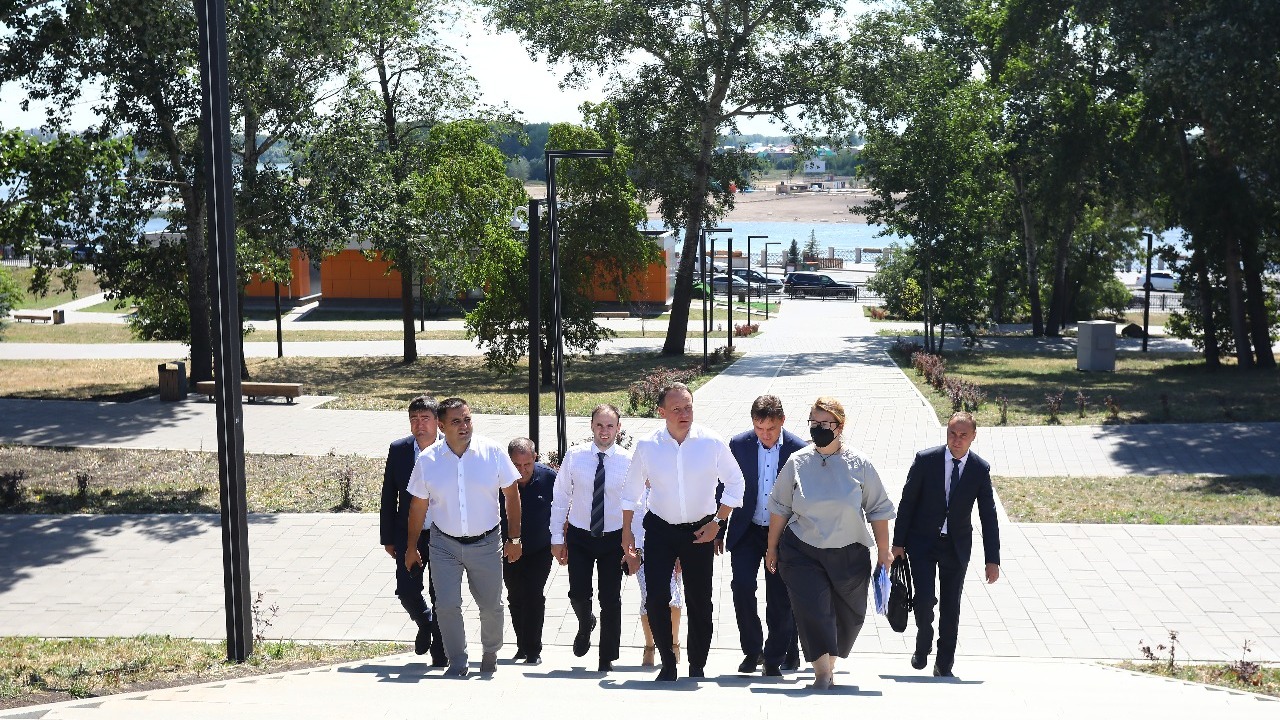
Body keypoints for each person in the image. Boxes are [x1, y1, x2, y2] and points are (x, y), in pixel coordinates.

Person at [766, 396, 895, 690]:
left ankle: (830, 664)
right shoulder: (797, 461)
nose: (818, 428)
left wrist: (884, 552)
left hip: (849, 553)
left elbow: (878, 509)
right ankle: (821, 673)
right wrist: (772, 547)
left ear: (840, 426)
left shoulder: (860, 464)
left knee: (849, 617)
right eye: (814, 422)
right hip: (802, 551)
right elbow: (780, 507)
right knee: (813, 609)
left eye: (825, 423)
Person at [621, 382, 745, 682]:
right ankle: (668, 662)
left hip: (700, 531)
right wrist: (627, 533)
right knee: (656, 597)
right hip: (660, 529)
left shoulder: (711, 442)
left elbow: (736, 482)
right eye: (676, 409)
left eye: (688, 407)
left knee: (700, 600)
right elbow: (630, 493)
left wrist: (718, 522)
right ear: (661, 412)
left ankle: (697, 665)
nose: (684, 414)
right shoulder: (648, 446)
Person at [405, 397, 523, 677]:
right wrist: (411, 546)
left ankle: (491, 652)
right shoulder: (428, 460)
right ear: (442, 426)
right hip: (443, 544)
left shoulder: (492, 452)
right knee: (446, 605)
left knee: (491, 606)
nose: (464, 426)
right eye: (456, 421)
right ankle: (457, 660)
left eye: (467, 419)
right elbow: (418, 506)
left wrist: (515, 539)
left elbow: (511, 495)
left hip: (487, 542)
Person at [892, 411, 1000, 678]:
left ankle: (944, 664)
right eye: (952, 433)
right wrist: (898, 543)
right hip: (922, 543)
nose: (957, 440)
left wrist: (992, 559)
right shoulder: (926, 460)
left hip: (956, 546)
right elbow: (907, 502)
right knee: (923, 600)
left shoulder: (979, 469)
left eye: (963, 435)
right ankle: (923, 641)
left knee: (951, 607)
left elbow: (988, 515)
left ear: (973, 437)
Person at [727, 394, 806, 676]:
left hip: (784, 533)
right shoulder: (739, 445)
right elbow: (726, 485)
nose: (765, 435)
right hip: (747, 529)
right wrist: (718, 527)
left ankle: (774, 657)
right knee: (742, 587)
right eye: (759, 428)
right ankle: (752, 651)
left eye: (771, 428)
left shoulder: (799, 450)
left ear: (782, 421)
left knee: (779, 596)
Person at [550, 404, 632, 672]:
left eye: (610, 426)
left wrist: (635, 545)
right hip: (580, 536)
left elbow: (638, 504)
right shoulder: (575, 456)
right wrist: (556, 537)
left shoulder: (628, 461)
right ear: (591, 426)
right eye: (599, 425)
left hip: (613, 538)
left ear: (618, 428)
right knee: (578, 593)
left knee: (610, 599)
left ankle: (606, 657)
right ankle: (586, 623)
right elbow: (561, 496)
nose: (604, 431)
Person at [378, 395, 446, 665]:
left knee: (440, 594)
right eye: (414, 420)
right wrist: (388, 538)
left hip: (443, 534)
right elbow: (388, 496)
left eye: (425, 419)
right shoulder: (399, 450)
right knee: (406, 590)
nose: (419, 425)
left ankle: (440, 648)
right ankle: (425, 622)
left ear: (438, 422)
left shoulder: (450, 448)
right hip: (409, 536)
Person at [501, 438, 555, 665]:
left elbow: (562, 509)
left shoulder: (549, 478)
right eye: (516, 465)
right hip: (509, 547)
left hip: (539, 549)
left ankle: (533, 650)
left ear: (535, 458)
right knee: (515, 596)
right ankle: (522, 645)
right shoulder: (499, 479)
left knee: (533, 594)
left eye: (527, 465)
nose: (522, 471)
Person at [630, 487, 684, 668]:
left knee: (674, 600)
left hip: (670, 548)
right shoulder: (633, 482)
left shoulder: (669, 480)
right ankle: (649, 646)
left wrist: (680, 552)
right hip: (641, 550)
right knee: (648, 598)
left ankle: (674, 644)